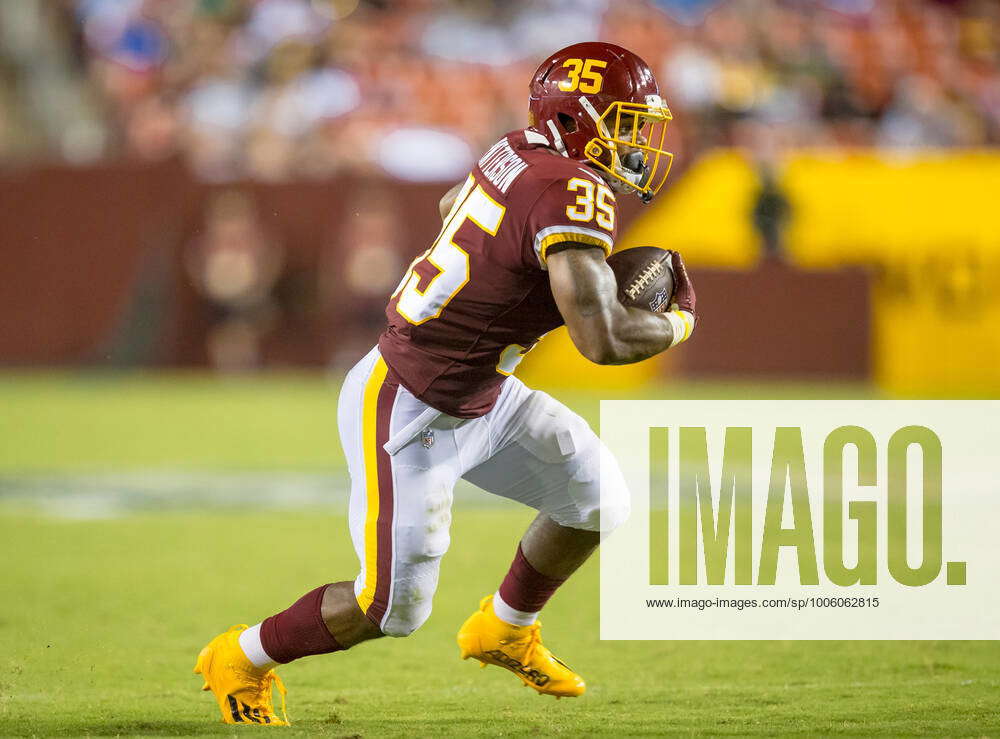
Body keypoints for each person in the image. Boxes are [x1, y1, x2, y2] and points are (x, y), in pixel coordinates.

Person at [193, 41, 697, 725]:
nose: (639, 142)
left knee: (597, 499)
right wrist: (676, 326)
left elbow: (447, 205)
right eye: (628, 122)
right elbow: (601, 338)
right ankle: (241, 655)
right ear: (581, 122)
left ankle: (505, 627)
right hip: (412, 405)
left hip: (484, 389)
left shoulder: (517, 148)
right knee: (389, 608)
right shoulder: (570, 188)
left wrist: (508, 283)